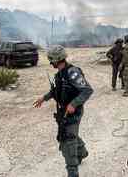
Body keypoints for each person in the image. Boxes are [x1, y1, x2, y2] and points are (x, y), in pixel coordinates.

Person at [33, 45, 93, 177]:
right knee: (71, 134)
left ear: (56, 59)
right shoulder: (60, 74)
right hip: (63, 111)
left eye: (51, 60)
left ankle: (73, 172)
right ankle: (82, 152)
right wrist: (44, 98)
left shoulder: (72, 72)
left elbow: (87, 90)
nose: (50, 63)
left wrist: (73, 104)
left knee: (68, 142)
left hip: (73, 111)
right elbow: (56, 91)